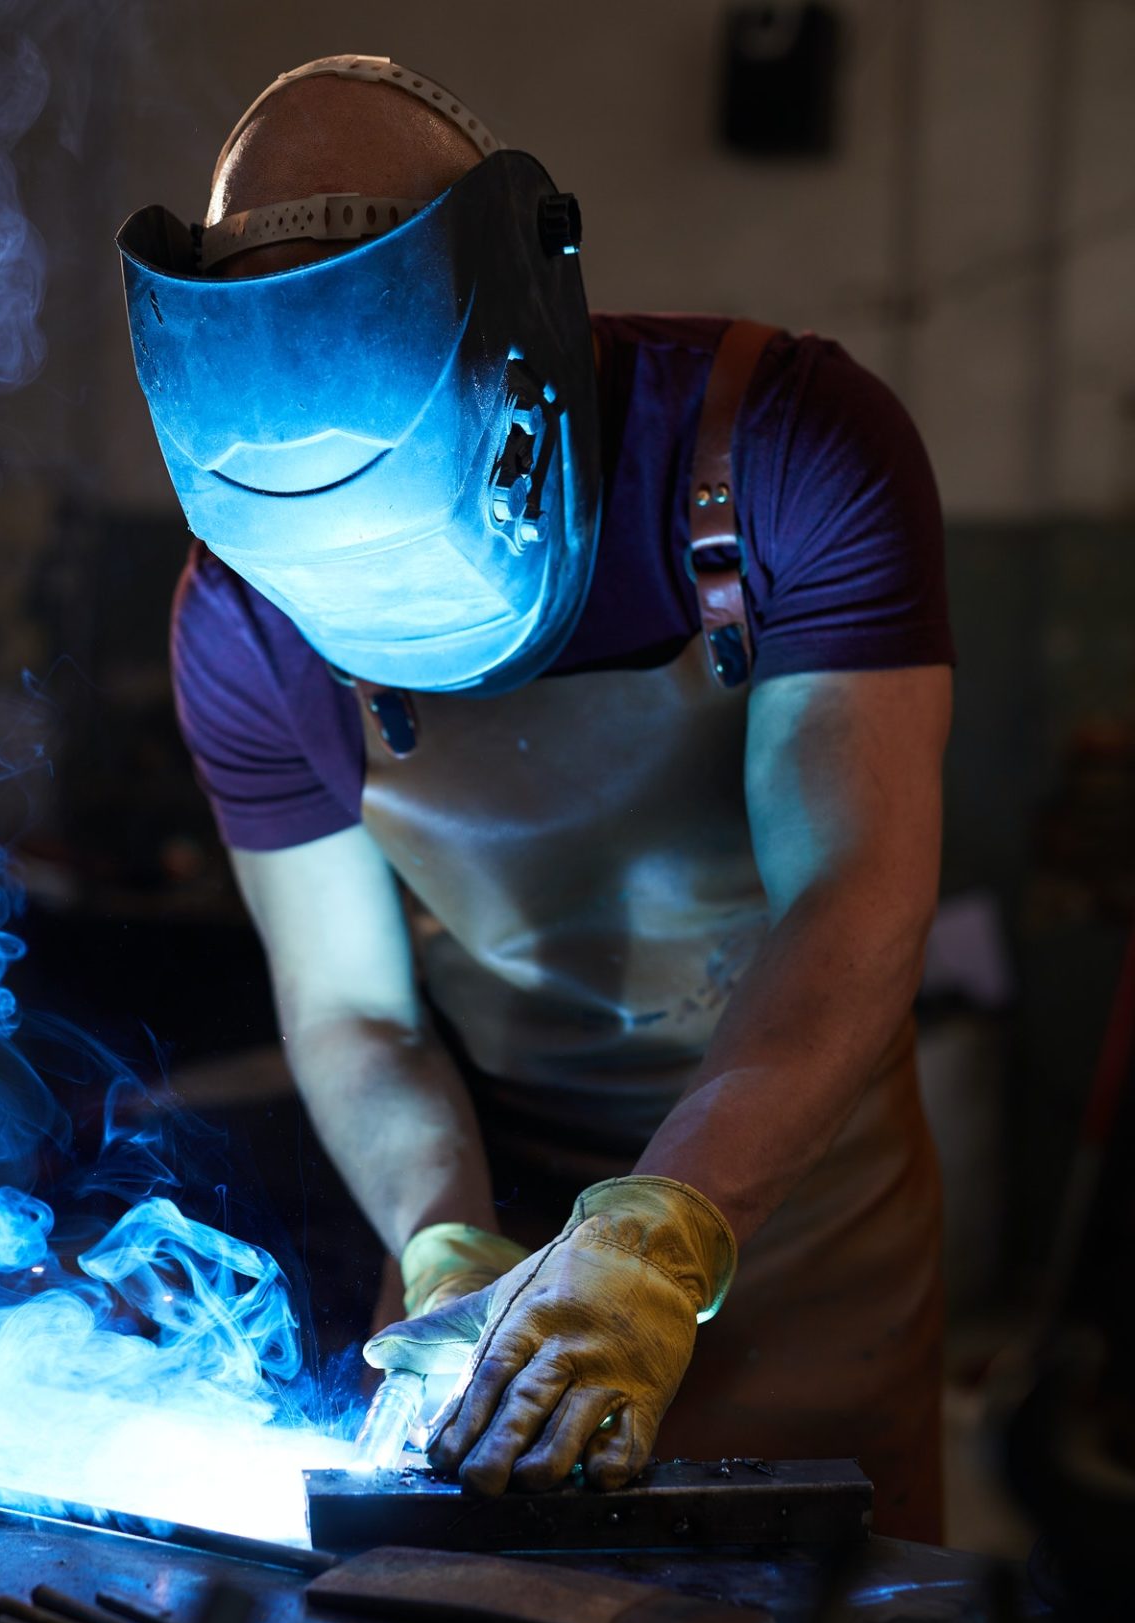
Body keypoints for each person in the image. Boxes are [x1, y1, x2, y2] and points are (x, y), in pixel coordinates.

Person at [117, 55, 954, 1542]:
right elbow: (353, 1010)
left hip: (810, 1225)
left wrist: (658, 1236)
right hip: (489, 1211)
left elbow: (852, 899)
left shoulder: (789, 449)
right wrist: (445, 1244)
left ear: (529, 350)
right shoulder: (236, 620)